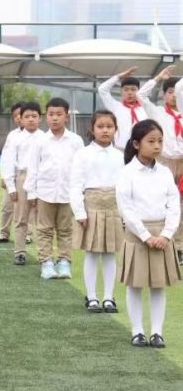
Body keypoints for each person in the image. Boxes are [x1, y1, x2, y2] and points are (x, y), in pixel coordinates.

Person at [116, 119, 180, 348]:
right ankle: (137, 331)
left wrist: (166, 234)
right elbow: (126, 209)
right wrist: (146, 236)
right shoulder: (127, 173)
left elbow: (174, 204)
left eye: (160, 141)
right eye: (151, 141)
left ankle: (156, 332)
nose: (157, 146)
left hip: (162, 236)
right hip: (137, 236)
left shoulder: (165, 172)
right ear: (136, 144)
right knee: (135, 285)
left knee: (158, 285)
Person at [70, 110, 123, 313]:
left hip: (114, 208)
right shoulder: (83, 154)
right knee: (92, 253)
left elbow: (125, 186)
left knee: (110, 253)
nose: (105, 130)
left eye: (109, 126)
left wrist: (125, 213)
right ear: (92, 129)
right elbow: (75, 185)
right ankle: (91, 297)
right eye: (100, 126)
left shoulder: (120, 156)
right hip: (90, 207)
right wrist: (79, 212)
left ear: (115, 129)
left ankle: (109, 297)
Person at [25, 98, 84, 279]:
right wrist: (31, 192)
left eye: (59, 114)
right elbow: (33, 167)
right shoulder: (40, 141)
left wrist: (80, 192)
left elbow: (81, 168)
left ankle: (64, 262)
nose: (55, 118)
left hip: (68, 193)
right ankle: (46, 262)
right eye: (51, 114)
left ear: (67, 116)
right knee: (44, 230)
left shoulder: (76, 141)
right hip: (45, 192)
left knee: (65, 230)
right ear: (46, 117)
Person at [137, 67, 183, 261]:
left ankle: (180, 245)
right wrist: (157, 78)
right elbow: (140, 95)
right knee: (165, 203)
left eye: (177, 92)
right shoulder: (157, 112)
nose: (174, 96)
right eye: (170, 92)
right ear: (164, 95)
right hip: (164, 161)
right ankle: (168, 241)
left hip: (182, 161)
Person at [2, 101, 43, 266]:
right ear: (21, 119)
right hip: (22, 177)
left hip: (41, 179)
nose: (31, 119)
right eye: (27, 116)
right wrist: (11, 186)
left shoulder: (45, 138)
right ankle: (19, 252)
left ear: (40, 118)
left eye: (34, 116)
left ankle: (44, 254)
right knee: (21, 218)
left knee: (42, 219)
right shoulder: (15, 138)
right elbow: (8, 161)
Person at [0, 102, 24, 243]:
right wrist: (3, 176)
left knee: (26, 209)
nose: (18, 118)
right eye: (15, 116)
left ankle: (26, 235)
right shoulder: (12, 135)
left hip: (26, 177)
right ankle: (3, 233)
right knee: (6, 207)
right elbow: (5, 158)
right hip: (11, 176)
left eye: (20, 114)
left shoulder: (37, 136)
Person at [97, 66, 146, 151]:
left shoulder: (145, 108)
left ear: (139, 91)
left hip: (141, 150)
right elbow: (102, 90)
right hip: (121, 150)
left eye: (133, 89)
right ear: (121, 91)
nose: (129, 93)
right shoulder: (116, 107)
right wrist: (119, 76)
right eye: (126, 90)